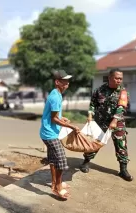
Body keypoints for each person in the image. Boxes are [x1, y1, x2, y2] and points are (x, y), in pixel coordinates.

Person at [80, 68, 133, 181]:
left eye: (120, 78)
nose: (119, 80)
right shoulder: (99, 90)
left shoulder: (123, 92)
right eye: (116, 78)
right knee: (93, 144)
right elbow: (93, 104)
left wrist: (114, 121)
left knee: (121, 145)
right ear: (109, 78)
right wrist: (90, 115)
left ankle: (123, 170)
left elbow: (121, 108)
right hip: (100, 122)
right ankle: (86, 162)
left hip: (117, 123)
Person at [39, 69, 80, 199]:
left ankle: (54, 183)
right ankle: (57, 187)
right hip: (49, 134)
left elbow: (56, 116)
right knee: (61, 161)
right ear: (57, 82)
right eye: (64, 81)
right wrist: (71, 126)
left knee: (53, 160)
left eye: (68, 81)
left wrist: (63, 119)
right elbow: (54, 119)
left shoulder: (56, 93)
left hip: (49, 132)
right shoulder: (55, 97)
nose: (67, 83)